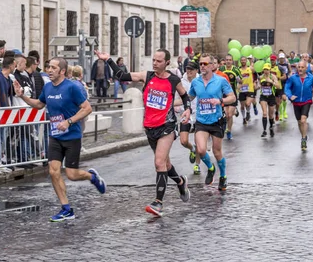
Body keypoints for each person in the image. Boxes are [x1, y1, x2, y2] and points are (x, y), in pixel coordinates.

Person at [95, 49, 190, 217]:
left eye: (159, 61)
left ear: (167, 62)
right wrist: (108, 59)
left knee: (159, 163)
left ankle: (158, 203)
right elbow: (121, 76)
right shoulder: (147, 76)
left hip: (166, 126)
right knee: (166, 165)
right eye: (153, 60)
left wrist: (188, 109)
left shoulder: (174, 80)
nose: (154, 63)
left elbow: (184, 96)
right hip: (150, 127)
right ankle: (180, 182)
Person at [14, 57, 105, 222]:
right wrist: (23, 97)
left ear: (62, 71)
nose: (49, 70)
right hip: (55, 136)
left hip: (72, 136)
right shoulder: (48, 87)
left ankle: (92, 177)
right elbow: (39, 105)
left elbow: (87, 108)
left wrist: (69, 122)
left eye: (53, 68)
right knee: (53, 171)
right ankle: (66, 209)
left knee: (71, 175)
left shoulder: (71, 87)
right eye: (48, 67)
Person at [189, 54, 236, 192]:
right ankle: (211, 168)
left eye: (205, 63)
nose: (202, 66)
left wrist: (220, 101)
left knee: (217, 151)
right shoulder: (196, 82)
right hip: (201, 121)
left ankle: (223, 176)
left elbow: (232, 97)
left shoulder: (221, 81)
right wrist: (176, 104)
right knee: (201, 149)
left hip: (216, 121)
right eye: (200, 64)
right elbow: (190, 97)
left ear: (211, 65)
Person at [284, 60, 313, 151]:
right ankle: (303, 135)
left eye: (302, 67)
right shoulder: (293, 78)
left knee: (303, 120)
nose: (300, 69)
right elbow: (287, 87)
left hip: (306, 101)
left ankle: (304, 138)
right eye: (299, 67)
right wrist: (290, 96)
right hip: (296, 101)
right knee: (299, 122)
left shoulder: (311, 78)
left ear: (306, 68)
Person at [175, 61, 203, 175]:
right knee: (183, 141)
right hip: (185, 114)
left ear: (197, 70)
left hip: (199, 114)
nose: (189, 71)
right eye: (187, 68)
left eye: (191, 69)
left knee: (198, 141)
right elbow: (178, 99)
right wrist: (170, 104)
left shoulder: (201, 81)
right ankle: (192, 150)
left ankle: (197, 165)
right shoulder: (181, 82)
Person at [220, 54, 241, 139]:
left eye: (230, 60)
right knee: (225, 114)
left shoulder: (236, 70)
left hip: (232, 94)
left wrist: (238, 81)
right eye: (227, 60)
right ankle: (226, 127)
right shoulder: (221, 69)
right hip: (224, 94)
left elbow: (241, 81)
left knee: (229, 115)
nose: (228, 61)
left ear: (232, 61)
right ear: (225, 61)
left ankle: (229, 131)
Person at [258, 64, 280, 138]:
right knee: (264, 113)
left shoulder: (273, 77)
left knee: (270, 115)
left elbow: (278, 86)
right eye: (265, 69)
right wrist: (257, 85)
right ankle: (264, 130)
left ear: (270, 70)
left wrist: (271, 82)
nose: (266, 71)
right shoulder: (261, 77)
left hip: (271, 97)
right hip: (263, 96)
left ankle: (270, 126)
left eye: (267, 69)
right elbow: (257, 86)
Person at [238, 56, 256, 125]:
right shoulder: (238, 70)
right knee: (242, 106)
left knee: (247, 104)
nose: (243, 61)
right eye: (242, 60)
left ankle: (248, 112)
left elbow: (255, 74)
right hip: (242, 90)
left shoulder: (250, 68)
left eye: (244, 60)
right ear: (240, 61)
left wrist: (255, 82)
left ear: (246, 61)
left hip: (250, 89)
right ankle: (243, 118)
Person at [277, 53, 290, 120]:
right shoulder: (277, 65)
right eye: (280, 58)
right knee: (279, 100)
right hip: (279, 83)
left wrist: (289, 77)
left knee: (284, 98)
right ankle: (281, 113)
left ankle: (284, 111)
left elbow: (290, 72)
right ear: (279, 58)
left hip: (285, 82)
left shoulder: (287, 64)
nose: (281, 59)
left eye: (283, 58)